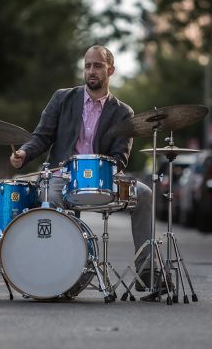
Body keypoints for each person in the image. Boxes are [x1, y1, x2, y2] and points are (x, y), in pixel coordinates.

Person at [9, 45, 158, 291]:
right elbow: (42, 136)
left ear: (110, 70)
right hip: (63, 177)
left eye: (98, 66)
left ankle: (147, 272)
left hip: (103, 179)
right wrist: (24, 153)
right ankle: (59, 271)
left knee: (144, 194)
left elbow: (120, 157)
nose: (91, 71)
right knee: (51, 198)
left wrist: (105, 169)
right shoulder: (62, 98)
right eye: (88, 65)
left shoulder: (123, 112)